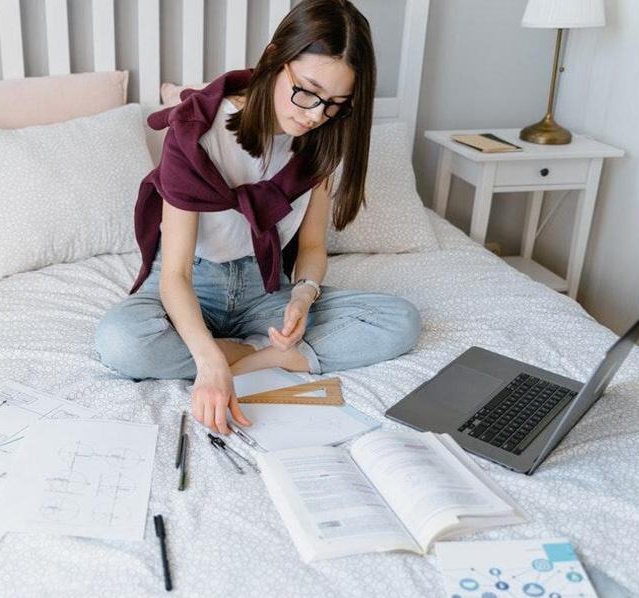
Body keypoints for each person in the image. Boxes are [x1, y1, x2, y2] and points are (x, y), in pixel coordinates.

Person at [95, 0, 420, 435]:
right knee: (121, 342)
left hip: (263, 287)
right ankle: (248, 356)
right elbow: (174, 275)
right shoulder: (197, 134)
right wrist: (210, 364)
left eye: (334, 104)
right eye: (306, 91)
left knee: (399, 321)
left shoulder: (322, 139)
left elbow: (310, 248)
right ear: (273, 59)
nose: (314, 115)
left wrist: (303, 298)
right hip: (191, 283)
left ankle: (261, 357)